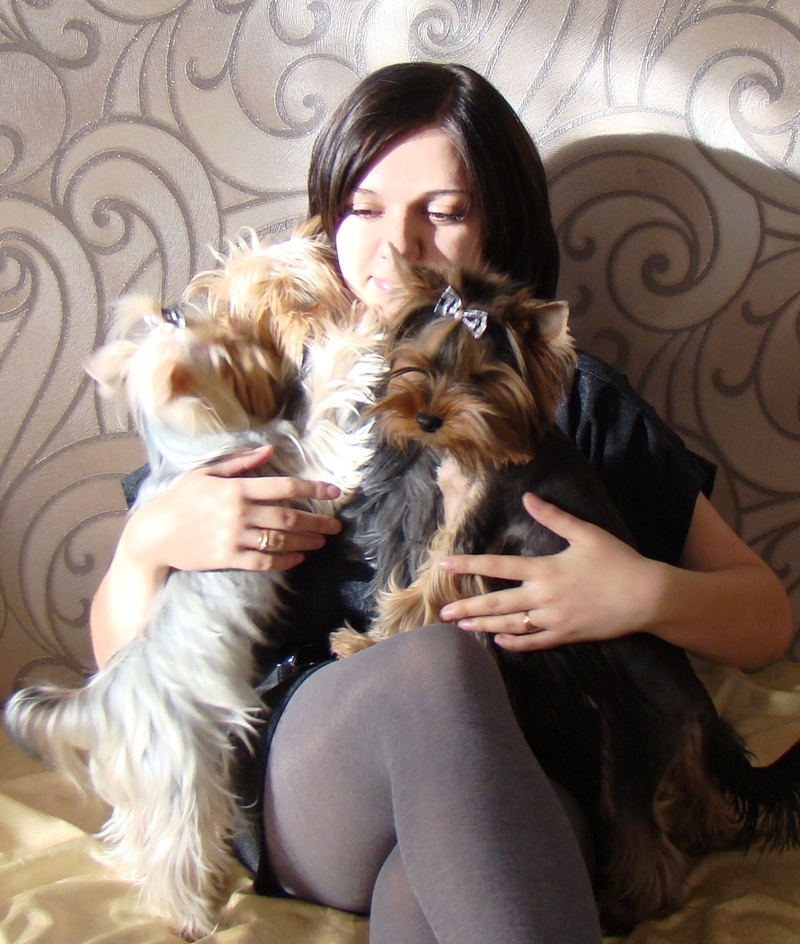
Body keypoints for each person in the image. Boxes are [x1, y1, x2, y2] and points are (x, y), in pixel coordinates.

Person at [89, 63, 792, 943]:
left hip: (529, 770)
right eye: (364, 208)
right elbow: (122, 660)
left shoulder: (566, 401)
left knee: (434, 896)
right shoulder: (261, 385)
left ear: (501, 221)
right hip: (318, 780)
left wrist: (640, 592)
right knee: (434, 665)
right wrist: (148, 545)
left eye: (446, 211)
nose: (399, 244)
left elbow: (763, 619)